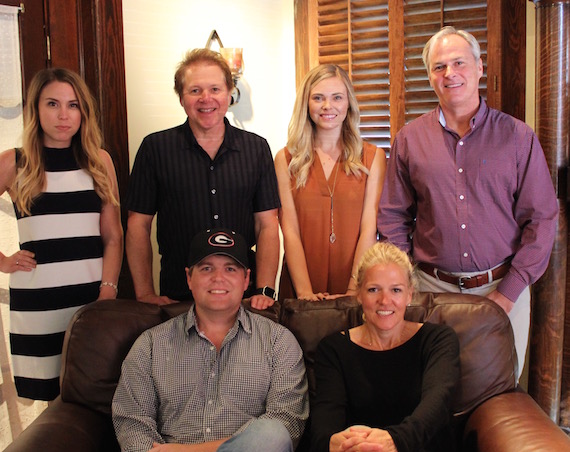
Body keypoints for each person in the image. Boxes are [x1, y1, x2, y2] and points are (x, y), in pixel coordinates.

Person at [378, 26, 558, 379]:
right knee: (427, 389)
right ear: (430, 77)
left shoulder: (518, 137)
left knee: (499, 394)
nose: (450, 74)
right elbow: (392, 216)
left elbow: (541, 220)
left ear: (479, 67)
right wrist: (407, 282)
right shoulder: (409, 140)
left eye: (459, 62)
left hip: (502, 289)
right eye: (439, 66)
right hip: (430, 291)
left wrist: (509, 293)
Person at [112, 228, 309, 452]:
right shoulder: (151, 345)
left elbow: (287, 428)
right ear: (189, 278)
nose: (218, 278)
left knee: (271, 434)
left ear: (246, 279)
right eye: (206, 268)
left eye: (230, 269)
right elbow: (132, 423)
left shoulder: (279, 342)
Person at [0, 68, 123, 401]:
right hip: (37, 303)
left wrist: (107, 294)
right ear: (35, 109)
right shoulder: (15, 162)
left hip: (90, 300)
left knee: (96, 395)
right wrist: (3, 261)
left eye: (73, 105)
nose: (64, 115)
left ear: (83, 111)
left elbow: (113, 237)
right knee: (50, 406)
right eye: (52, 103)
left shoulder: (99, 162)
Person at [126, 48, 280, 310]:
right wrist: (144, 293)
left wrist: (265, 288)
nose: (206, 99)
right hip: (178, 296)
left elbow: (267, 224)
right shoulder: (155, 149)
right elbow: (137, 226)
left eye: (215, 89)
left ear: (229, 92)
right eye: (195, 90)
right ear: (181, 98)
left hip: (244, 297)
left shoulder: (257, 149)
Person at [310, 242, 462, 452]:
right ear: (359, 293)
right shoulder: (334, 349)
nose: (384, 300)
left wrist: (395, 443)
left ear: (410, 294)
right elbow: (324, 426)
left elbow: (437, 403)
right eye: (373, 290)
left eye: (396, 290)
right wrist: (338, 449)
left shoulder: (437, 340)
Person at [275, 64, 385, 301]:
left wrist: (353, 290)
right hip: (300, 284)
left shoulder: (373, 157)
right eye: (318, 98)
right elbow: (290, 230)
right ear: (306, 103)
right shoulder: (286, 160)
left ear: (349, 103)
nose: (328, 106)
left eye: (337, 97)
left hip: (355, 283)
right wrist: (304, 293)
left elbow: (369, 229)